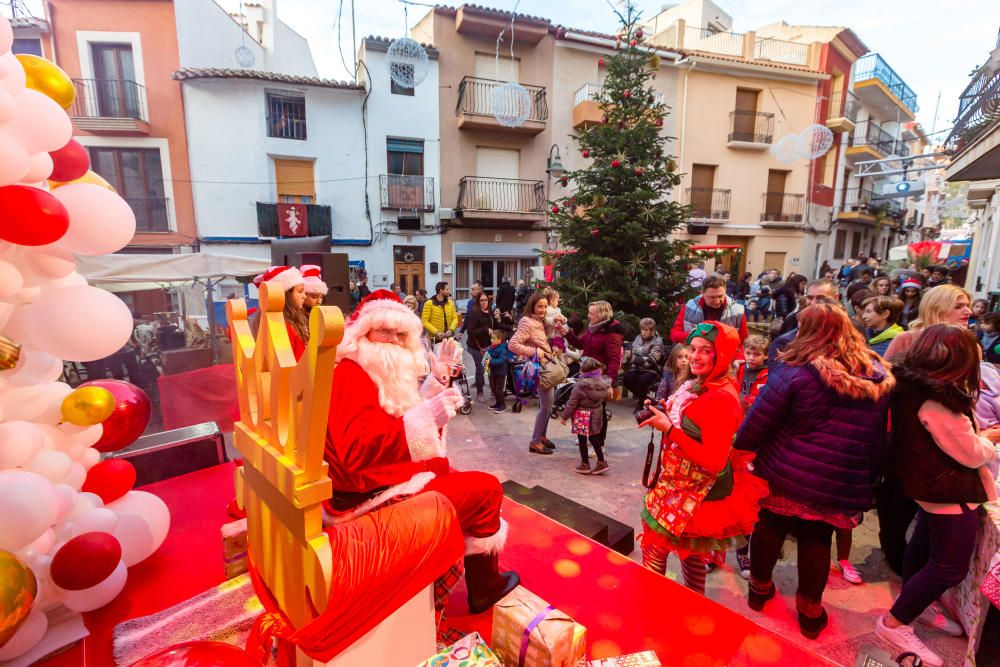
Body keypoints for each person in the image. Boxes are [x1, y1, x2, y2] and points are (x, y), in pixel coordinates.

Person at [323, 290, 520, 615]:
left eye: (401, 334)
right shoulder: (349, 374)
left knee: (456, 476)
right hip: (366, 502)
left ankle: (472, 576)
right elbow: (356, 452)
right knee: (487, 489)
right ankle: (485, 588)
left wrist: (436, 383)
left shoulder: (367, 371)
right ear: (362, 331)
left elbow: (398, 417)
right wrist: (426, 416)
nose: (393, 340)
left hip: (382, 485)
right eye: (384, 330)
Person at [734, 302, 893, 639]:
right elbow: (879, 438)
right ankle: (809, 614)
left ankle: (758, 592)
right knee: (817, 538)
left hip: (785, 470)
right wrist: (870, 479)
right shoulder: (875, 377)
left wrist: (741, 450)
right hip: (840, 478)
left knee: (770, 526)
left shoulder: (795, 371)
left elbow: (756, 424)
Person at [876, 325, 1000, 666]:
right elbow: (971, 454)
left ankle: (915, 603)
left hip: (929, 485)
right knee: (947, 567)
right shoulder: (938, 400)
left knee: (924, 545)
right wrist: (990, 438)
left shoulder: (911, 385)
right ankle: (895, 622)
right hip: (947, 489)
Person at [638, 322, 768, 595]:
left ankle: (655, 601)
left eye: (706, 350)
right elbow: (692, 421)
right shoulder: (703, 383)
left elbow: (714, 461)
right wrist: (665, 411)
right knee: (691, 554)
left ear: (722, 354)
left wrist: (670, 429)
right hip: (675, 485)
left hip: (691, 494)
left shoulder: (721, 397)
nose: (695, 356)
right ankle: (691, 604)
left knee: (656, 550)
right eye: (693, 349)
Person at [565, 300, 628, 444]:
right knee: (584, 406)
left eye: (591, 313)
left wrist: (610, 383)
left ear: (602, 314)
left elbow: (614, 360)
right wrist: (567, 334)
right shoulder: (593, 327)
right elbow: (582, 344)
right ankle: (585, 436)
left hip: (600, 377)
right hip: (587, 374)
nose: (588, 316)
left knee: (598, 411)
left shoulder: (612, 333)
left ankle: (599, 442)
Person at [509, 291, 558, 455]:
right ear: (532, 306)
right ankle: (535, 441)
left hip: (546, 366)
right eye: (539, 306)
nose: (542, 310)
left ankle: (542, 436)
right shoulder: (527, 322)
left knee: (548, 406)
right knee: (545, 407)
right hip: (539, 369)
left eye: (545, 306)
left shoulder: (539, 320)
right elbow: (513, 345)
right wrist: (534, 351)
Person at [885, 285, 973, 362]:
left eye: (967, 306)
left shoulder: (970, 344)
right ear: (936, 310)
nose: (969, 311)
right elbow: (886, 375)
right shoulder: (907, 339)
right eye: (957, 307)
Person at [766, 279, 840, 365]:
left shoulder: (849, 328)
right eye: (810, 298)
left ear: (836, 298)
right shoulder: (793, 321)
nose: (813, 303)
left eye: (821, 298)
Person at [561, 357, 612, 475]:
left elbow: (571, 403)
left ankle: (585, 464)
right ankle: (602, 462)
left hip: (581, 415)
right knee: (594, 439)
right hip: (596, 414)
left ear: (583, 371)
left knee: (582, 440)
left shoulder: (580, 386)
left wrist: (564, 417)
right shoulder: (602, 383)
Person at [250, 265, 309, 359]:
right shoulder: (283, 326)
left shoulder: (289, 322)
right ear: (285, 295)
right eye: (300, 291)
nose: (304, 296)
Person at [671, 274, 749, 344]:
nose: (717, 301)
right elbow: (674, 335)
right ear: (702, 293)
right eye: (712, 297)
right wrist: (697, 335)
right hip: (694, 355)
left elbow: (744, 342)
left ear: (725, 291)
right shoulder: (690, 306)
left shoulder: (737, 311)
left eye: (720, 296)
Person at [623, 318, 665, 408]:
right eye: (642, 329)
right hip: (636, 368)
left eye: (646, 330)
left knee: (641, 380)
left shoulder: (657, 342)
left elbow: (652, 361)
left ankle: (642, 402)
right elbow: (633, 352)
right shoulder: (638, 338)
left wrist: (633, 358)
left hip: (651, 370)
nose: (644, 332)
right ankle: (646, 399)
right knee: (626, 379)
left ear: (652, 331)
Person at [463, 291, 496, 403]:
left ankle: (494, 390)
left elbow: (495, 325)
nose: (484, 302)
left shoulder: (490, 311)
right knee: (480, 368)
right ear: (478, 301)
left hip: (487, 346)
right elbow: (471, 331)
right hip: (475, 346)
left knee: (489, 367)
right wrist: (486, 330)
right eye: (481, 300)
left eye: (485, 300)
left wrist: (509, 324)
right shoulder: (474, 313)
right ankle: (480, 392)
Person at [735, 335, 768, 414]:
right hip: (738, 409)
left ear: (766, 355)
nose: (751, 358)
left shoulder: (767, 374)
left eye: (756, 354)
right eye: (748, 353)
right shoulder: (739, 368)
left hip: (754, 412)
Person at [485, 329, 515, 413]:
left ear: (500, 340)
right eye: (491, 338)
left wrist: (490, 361)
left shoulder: (503, 350)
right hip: (493, 371)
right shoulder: (492, 347)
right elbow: (488, 356)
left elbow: (501, 361)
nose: (491, 340)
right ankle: (497, 403)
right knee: (494, 388)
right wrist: (486, 359)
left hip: (501, 372)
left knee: (499, 389)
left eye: (493, 338)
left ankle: (502, 405)